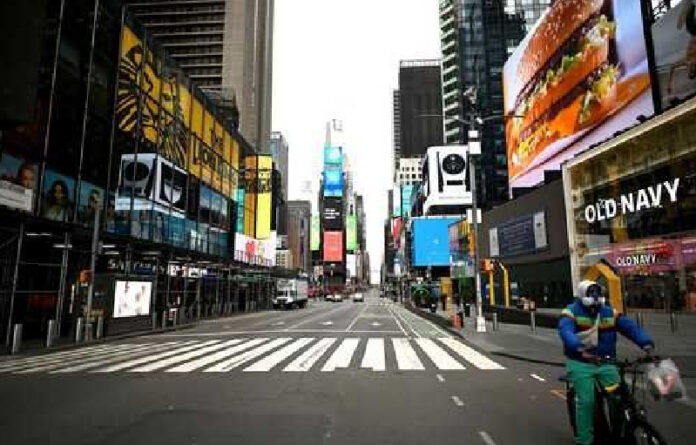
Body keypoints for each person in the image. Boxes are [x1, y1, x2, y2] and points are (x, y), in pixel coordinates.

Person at [558, 280, 654, 445]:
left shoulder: (609, 312)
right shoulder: (571, 312)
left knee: (620, 398)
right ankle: (584, 440)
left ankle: (620, 432)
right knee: (586, 402)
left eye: (597, 293)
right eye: (591, 293)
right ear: (582, 295)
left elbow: (628, 327)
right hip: (581, 362)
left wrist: (645, 342)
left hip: (606, 362)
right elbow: (565, 330)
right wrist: (578, 347)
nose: (595, 297)